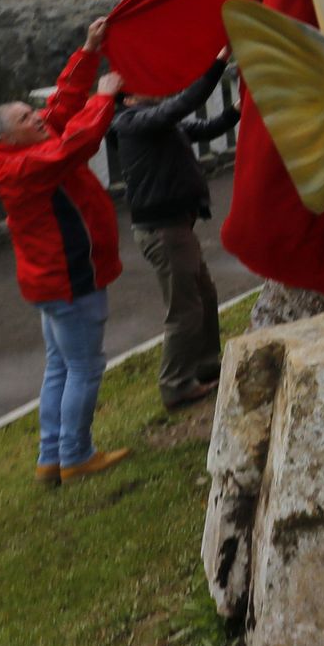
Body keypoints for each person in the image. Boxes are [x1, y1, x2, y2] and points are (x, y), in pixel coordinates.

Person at [0, 17, 130, 485]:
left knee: (60, 365)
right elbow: (74, 144)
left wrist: (88, 49)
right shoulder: (25, 165)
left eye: (29, 111)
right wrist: (104, 97)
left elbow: (60, 106)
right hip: (69, 278)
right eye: (24, 118)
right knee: (84, 366)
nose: (36, 117)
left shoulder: (21, 151)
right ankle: (76, 455)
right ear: (6, 138)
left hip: (49, 281)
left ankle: (50, 456)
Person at [109, 54, 239, 412]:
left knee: (205, 295)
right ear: (128, 99)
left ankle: (205, 364)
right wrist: (218, 62)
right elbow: (184, 104)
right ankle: (176, 384)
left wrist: (239, 107)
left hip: (175, 226)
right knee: (184, 308)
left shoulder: (154, 123)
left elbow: (207, 128)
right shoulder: (132, 123)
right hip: (163, 230)